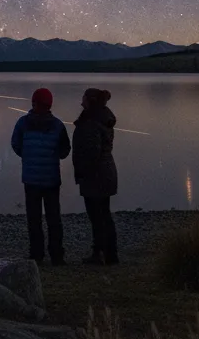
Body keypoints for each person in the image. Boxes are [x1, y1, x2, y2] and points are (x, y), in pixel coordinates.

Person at [11, 87, 71, 266]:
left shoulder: (22, 123)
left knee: (34, 219)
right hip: (51, 178)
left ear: (35, 103)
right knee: (53, 219)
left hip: (31, 179)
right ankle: (56, 256)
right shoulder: (58, 125)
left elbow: (15, 145)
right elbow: (65, 151)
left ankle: (37, 255)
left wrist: (28, 157)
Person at [72, 87, 118, 265]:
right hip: (105, 173)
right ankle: (107, 253)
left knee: (98, 216)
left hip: (96, 175)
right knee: (103, 215)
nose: (80, 100)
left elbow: (92, 152)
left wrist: (83, 171)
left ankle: (105, 255)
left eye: (83, 97)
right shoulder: (101, 118)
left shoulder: (91, 122)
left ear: (90, 100)